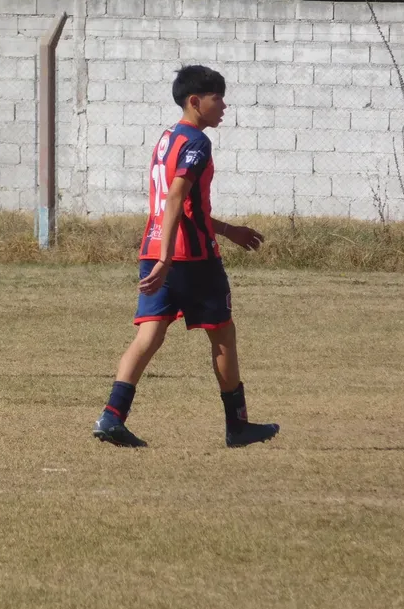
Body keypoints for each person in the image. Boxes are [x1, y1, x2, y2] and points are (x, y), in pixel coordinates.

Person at [92, 65, 280, 448]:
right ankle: (238, 425)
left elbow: (182, 205)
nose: (224, 105)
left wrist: (228, 231)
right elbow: (177, 196)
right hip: (189, 260)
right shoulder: (197, 142)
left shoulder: (167, 139)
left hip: (155, 247)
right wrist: (168, 259)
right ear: (195, 102)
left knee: (149, 336)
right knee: (223, 333)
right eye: (217, 98)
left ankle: (111, 417)